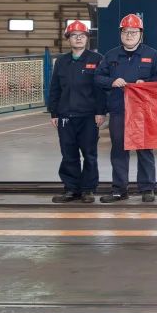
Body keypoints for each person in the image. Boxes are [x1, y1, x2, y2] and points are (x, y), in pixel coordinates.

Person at [95, 13, 157, 203]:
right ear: (120, 34)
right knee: (119, 151)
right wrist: (112, 81)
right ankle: (119, 190)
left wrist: (147, 83)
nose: (129, 35)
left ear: (141, 34)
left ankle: (147, 189)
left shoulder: (152, 55)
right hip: (119, 110)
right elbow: (98, 78)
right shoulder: (111, 56)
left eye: (134, 32)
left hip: (143, 112)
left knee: (145, 150)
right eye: (125, 31)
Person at [48, 20, 106, 203]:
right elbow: (55, 88)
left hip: (88, 116)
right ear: (68, 39)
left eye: (82, 35)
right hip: (65, 116)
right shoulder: (61, 62)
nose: (79, 38)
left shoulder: (97, 59)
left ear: (87, 38)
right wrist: (54, 113)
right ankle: (71, 189)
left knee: (89, 154)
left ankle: (88, 189)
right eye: (74, 35)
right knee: (68, 154)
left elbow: (100, 89)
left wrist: (101, 112)